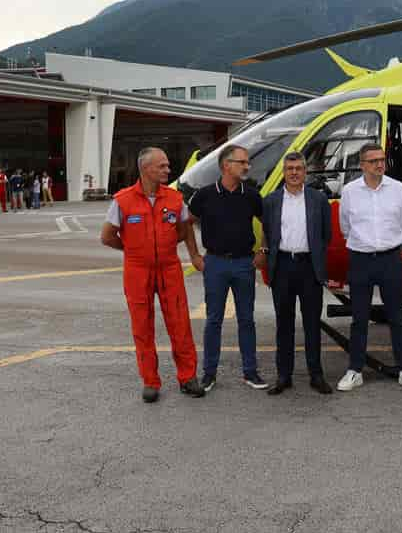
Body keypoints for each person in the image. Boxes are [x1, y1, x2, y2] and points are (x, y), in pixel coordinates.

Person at [100, 147, 204, 403]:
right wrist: (133, 249)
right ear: (146, 169)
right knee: (142, 327)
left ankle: (188, 377)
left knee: (180, 323)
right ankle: (150, 381)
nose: (168, 170)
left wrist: (194, 255)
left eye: (168, 166)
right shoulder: (123, 200)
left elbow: (185, 229)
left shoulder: (175, 198)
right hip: (137, 270)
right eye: (163, 166)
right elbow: (107, 236)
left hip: (169, 268)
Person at [336, 142, 402, 392]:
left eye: (382, 160)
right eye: (373, 161)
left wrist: (387, 245)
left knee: (396, 316)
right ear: (362, 165)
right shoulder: (349, 191)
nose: (380, 164)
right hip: (360, 259)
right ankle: (355, 370)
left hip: (390, 259)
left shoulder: (399, 190)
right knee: (359, 318)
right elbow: (345, 227)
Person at [185, 143, 266, 392]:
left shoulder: (251, 194)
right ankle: (209, 374)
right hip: (215, 263)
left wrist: (263, 250)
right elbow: (186, 223)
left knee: (247, 320)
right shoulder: (205, 195)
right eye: (241, 162)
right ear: (225, 165)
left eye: (246, 162)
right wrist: (195, 255)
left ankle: (250, 372)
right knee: (214, 320)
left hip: (244, 264)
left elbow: (268, 223)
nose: (246, 166)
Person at [259, 151, 333, 395]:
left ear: (305, 172)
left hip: (309, 266)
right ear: (283, 172)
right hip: (282, 266)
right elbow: (268, 233)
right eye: (289, 169)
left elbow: (326, 235)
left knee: (312, 323)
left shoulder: (318, 199)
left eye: (298, 168)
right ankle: (284, 376)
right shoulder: (271, 201)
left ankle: (316, 375)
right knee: (284, 323)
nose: (293, 173)